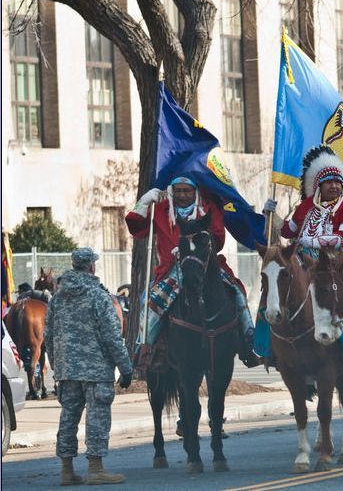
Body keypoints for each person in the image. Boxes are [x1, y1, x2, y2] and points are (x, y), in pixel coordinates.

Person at [125, 176, 261, 367]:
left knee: (237, 292)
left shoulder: (208, 208)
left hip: (205, 265)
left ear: (195, 191)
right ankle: (145, 348)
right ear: (172, 191)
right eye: (178, 190)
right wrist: (144, 202)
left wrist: (194, 249)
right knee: (151, 303)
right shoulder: (162, 210)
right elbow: (137, 229)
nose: (182, 195)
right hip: (171, 269)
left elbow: (219, 239)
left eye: (187, 190)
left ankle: (248, 342)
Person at [44, 247, 133, 486]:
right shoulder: (99, 297)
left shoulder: (57, 299)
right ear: (91, 266)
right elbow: (112, 337)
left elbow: (48, 336)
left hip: (67, 370)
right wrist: (125, 368)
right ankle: (95, 469)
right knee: (97, 417)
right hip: (96, 370)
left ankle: (66, 470)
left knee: (68, 417)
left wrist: (57, 366)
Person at [266, 146, 343, 256]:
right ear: (319, 186)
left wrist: (314, 242)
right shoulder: (306, 205)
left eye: (338, 182)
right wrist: (272, 215)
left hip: (336, 264)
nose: (334, 186)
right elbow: (289, 231)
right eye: (329, 182)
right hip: (303, 262)